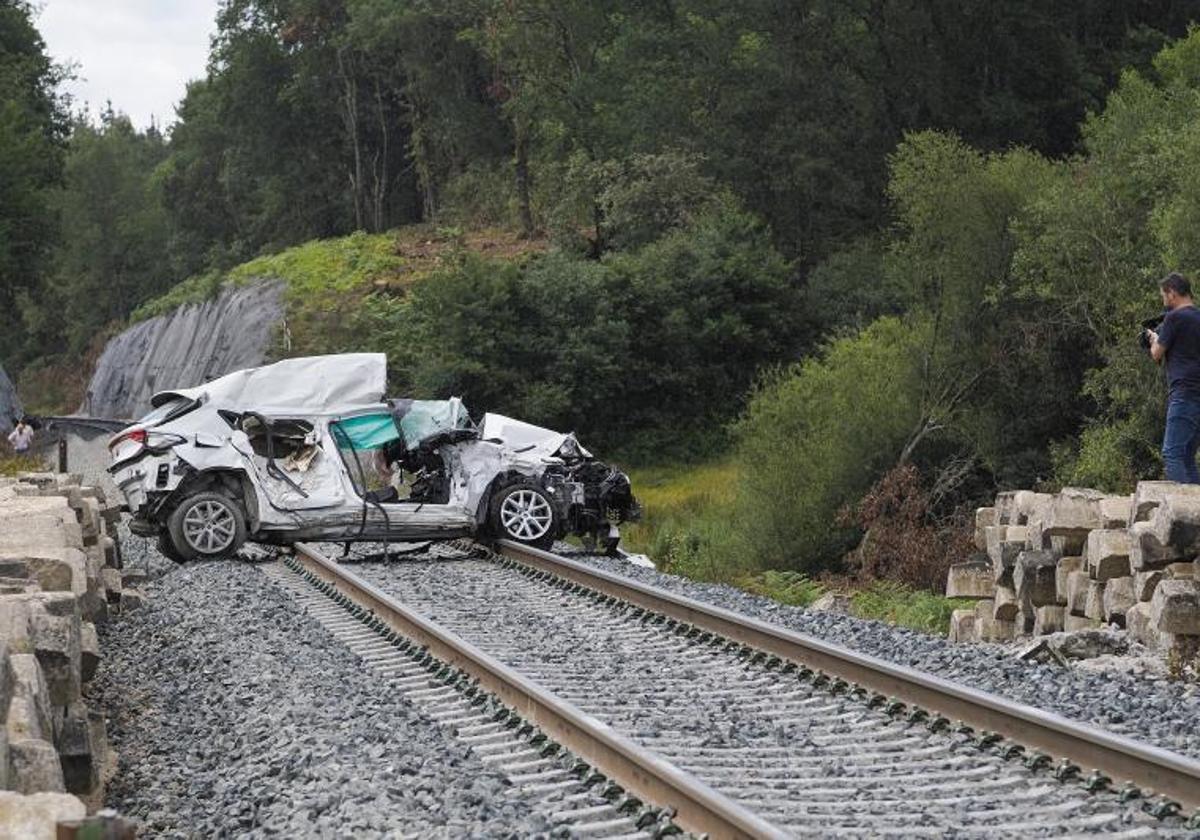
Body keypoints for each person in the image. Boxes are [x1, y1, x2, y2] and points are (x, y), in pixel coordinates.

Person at [1148, 272, 1200, 483]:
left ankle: (1181, 510)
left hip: (1184, 394)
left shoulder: (1174, 317)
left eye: (1163, 295)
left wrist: (1153, 338)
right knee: (1187, 457)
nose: (1163, 300)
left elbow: (1156, 354)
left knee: (1172, 453)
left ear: (1172, 294)